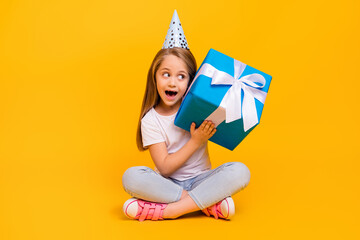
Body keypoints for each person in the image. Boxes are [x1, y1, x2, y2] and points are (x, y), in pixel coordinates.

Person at [122, 10, 250, 221]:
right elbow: (163, 167)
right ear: (154, 77)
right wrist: (196, 141)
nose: (172, 82)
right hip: (167, 185)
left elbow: (230, 114)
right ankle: (206, 204)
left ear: (191, 81)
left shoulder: (198, 107)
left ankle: (169, 210)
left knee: (240, 171)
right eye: (166, 74)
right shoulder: (151, 120)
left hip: (203, 179)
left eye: (181, 76)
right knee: (131, 177)